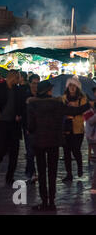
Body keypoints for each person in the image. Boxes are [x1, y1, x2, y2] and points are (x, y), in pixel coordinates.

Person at [27, 80, 92, 211]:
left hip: (39, 142)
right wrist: (87, 105)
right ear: (48, 91)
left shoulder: (32, 105)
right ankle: (52, 201)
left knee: (41, 172)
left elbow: (30, 126)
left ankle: (44, 201)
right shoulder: (57, 103)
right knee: (52, 172)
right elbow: (74, 111)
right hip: (54, 141)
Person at [0, 70, 23, 185]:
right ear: (13, 78)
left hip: (14, 124)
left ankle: (10, 177)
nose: (19, 80)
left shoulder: (18, 90)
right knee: (2, 149)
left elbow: (21, 105)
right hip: (2, 123)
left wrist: (19, 114)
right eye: (18, 77)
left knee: (14, 152)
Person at [61, 76, 87, 182]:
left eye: (74, 86)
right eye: (70, 85)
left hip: (77, 129)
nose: (72, 88)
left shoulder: (82, 99)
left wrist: (74, 108)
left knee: (76, 150)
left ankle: (79, 168)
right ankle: (69, 174)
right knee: (66, 152)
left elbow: (84, 111)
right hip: (66, 128)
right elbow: (61, 111)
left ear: (77, 88)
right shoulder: (63, 98)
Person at [21, 74, 40, 183]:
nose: (35, 85)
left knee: (36, 150)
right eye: (33, 83)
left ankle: (30, 171)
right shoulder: (25, 95)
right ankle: (31, 173)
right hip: (28, 126)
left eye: (37, 83)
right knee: (30, 150)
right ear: (30, 83)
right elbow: (23, 111)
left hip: (39, 126)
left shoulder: (41, 95)